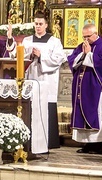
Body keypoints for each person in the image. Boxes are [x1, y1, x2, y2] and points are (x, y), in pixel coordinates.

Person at [67, 24, 102, 154]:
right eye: (84, 37)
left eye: (88, 36)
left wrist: (89, 54)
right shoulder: (81, 46)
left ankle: (98, 145)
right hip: (83, 89)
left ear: (96, 34)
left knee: (98, 115)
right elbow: (72, 60)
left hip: (97, 89)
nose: (85, 39)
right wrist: (84, 54)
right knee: (83, 115)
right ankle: (88, 144)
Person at [22, 12, 65, 149]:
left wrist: (41, 56)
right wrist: (29, 54)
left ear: (46, 25)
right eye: (36, 24)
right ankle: (30, 139)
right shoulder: (27, 40)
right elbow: (18, 56)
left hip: (47, 80)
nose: (38, 26)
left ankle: (49, 141)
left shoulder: (54, 41)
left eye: (41, 24)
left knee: (47, 107)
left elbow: (58, 59)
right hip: (31, 78)